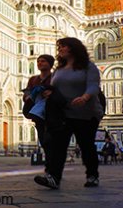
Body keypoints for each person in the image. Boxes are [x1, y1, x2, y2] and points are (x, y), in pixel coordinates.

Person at [34, 37, 104, 189]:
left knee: (86, 146)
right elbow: (54, 88)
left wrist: (84, 97)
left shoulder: (88, 67)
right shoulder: (59, 70)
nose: (59, 49)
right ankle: (53, 178)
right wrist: (47, 93)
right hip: (64, 114)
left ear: (72, 48)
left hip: (86, 113)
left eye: (62, 46)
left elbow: (93, 86)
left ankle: (92, 176)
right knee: (58, 146)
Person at [23, 55, 54, 155]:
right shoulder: (33, 79)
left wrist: (51, 93)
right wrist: (28, 96)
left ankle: (52, 159)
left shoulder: (54, 78)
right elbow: (26, 94)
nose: (40, 63)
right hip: (37, 112)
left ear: (50, 64)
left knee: (51, 135)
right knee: (42, 136)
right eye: (38, 61)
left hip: (51, 111)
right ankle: (49, 158)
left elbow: (61, 92)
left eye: (43, 61)